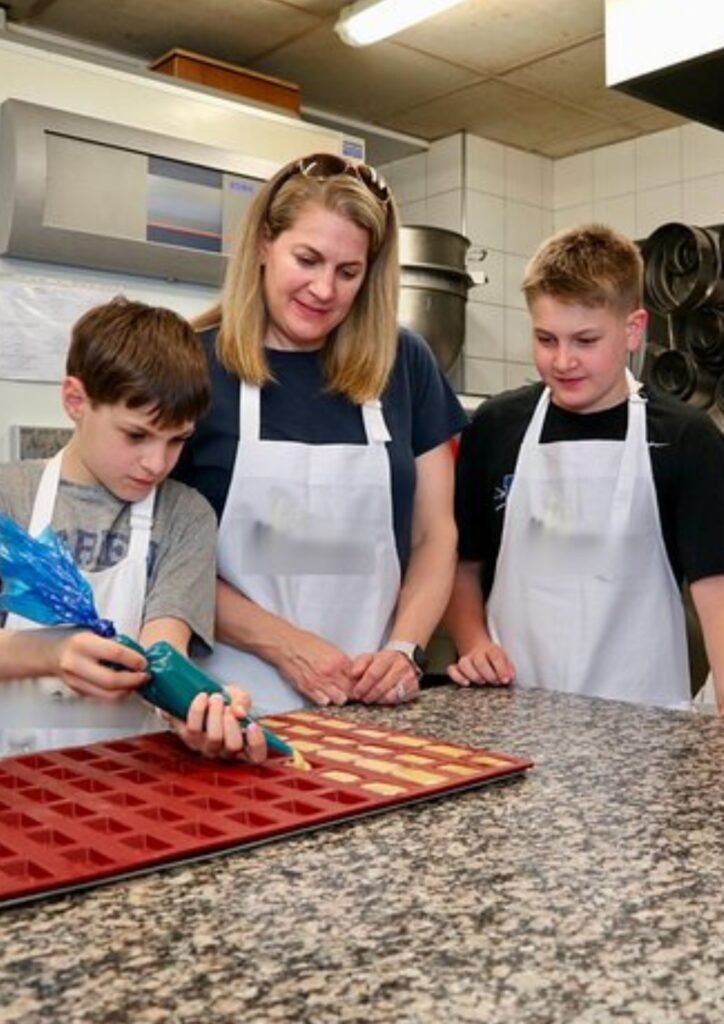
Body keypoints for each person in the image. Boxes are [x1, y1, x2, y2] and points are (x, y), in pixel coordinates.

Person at [173, 151, 467, 715]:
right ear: (263, 242)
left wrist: (404, 650)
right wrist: (284, 646)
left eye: (348, 272)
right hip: (228, 704)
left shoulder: (404, 363)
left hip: (370, 703)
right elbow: (161, 554)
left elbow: (435, 536)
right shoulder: (194, 364)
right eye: (306, 259)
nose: (324, 290)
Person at [445, 223, 724, 712]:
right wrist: (472, 643)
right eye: (546, 339)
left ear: (633, 330)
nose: (563, 360)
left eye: (585, 340)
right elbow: (463, 566)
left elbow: (716, 591)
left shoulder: (685, 437)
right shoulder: (497, 426)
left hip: (644, 727)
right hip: (513, 716)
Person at [0, 297, 266, 759]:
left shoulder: (185, 516)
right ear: (76, 401)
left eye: (178, 440)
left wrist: (194, 708)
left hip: (126, 777)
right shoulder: (10, 495)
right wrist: (51, 654)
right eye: (137, 435)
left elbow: (164, 650)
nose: (156, 464)